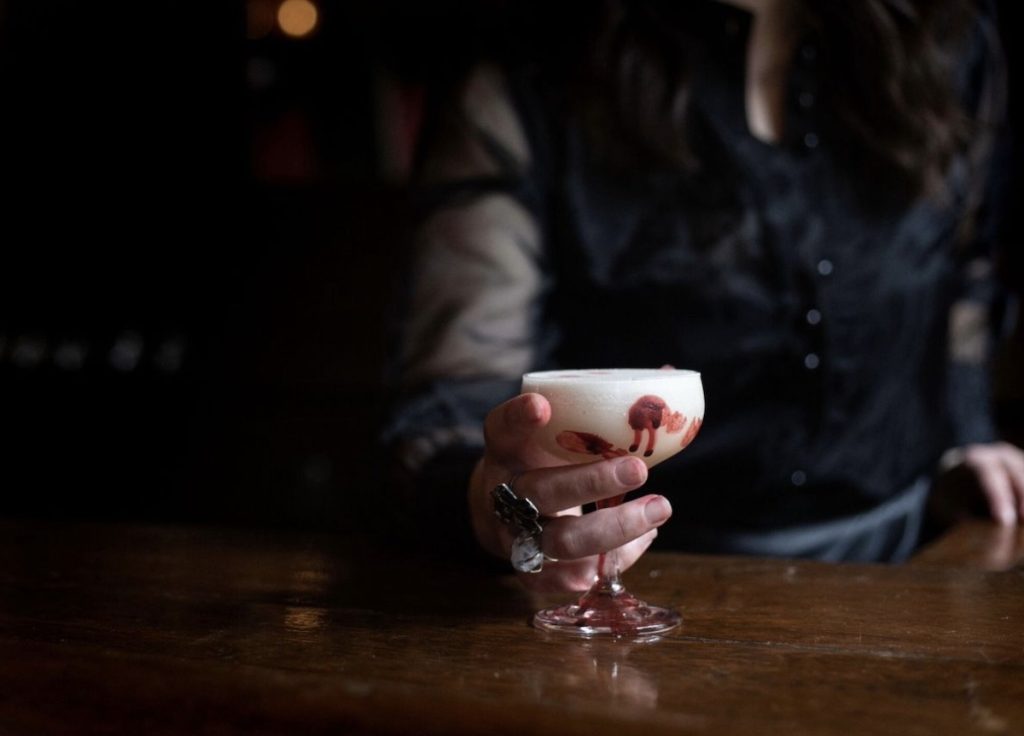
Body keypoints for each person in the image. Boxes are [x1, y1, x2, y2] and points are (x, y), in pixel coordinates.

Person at [382, 0, 1024, 591]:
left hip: (912, 563)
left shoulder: (949, 33)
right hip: (646, 575)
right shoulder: (530, 66)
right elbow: (453, 406)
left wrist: (967, 433)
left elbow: (962, 263)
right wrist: (504, 509)